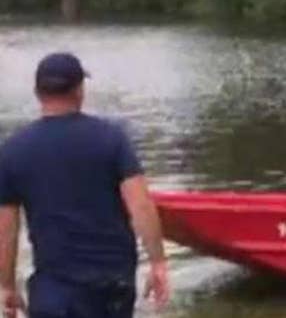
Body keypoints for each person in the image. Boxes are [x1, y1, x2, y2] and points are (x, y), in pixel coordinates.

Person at [0, 52, 169, 318]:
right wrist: (158, 262)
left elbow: (6, 231)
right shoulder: (112, 138)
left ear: (38, 93)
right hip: (112, 283)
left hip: (53, 290)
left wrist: (7, 286)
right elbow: (140, 205)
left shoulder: (12, 151)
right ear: (80, 89)